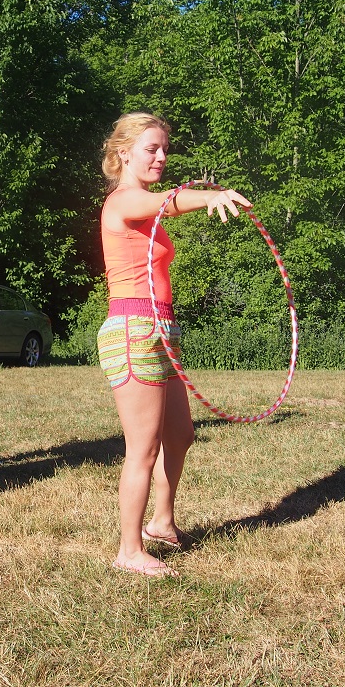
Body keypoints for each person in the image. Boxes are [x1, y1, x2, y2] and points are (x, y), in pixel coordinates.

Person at [98, 112, 251, 576]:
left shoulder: (142, 207)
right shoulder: (124, 200)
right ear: (124, 153)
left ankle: (161, 523)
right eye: (151, 149)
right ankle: (129, 550)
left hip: (161, 328)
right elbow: (167, 202)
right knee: (142, 448)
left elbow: (162, 204)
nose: (162, 157)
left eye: (165, 149)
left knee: (180, 434)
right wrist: (210, 196)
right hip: (134, 330)